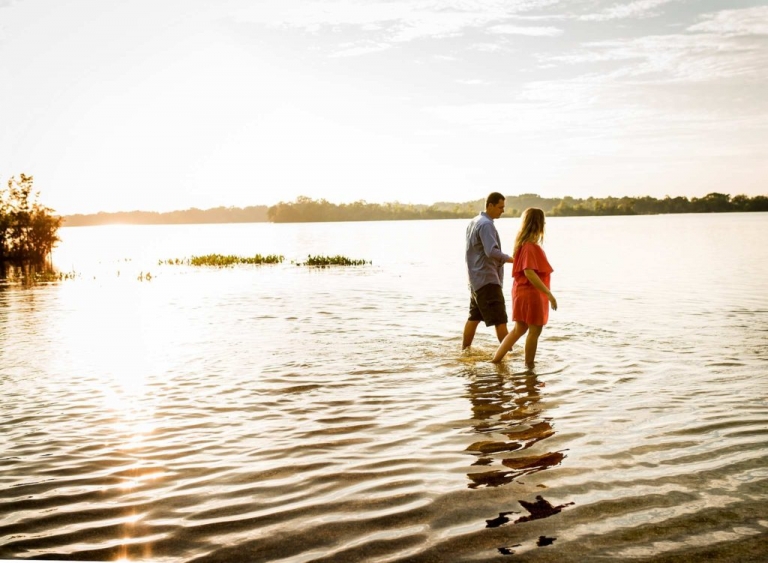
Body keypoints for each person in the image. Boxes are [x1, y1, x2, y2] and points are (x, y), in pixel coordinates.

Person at [491, 207, 557, 368]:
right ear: (539, 224)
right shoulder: (529, 246)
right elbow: (529, 272)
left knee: (519, 329)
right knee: (534, 331)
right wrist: (549, 294)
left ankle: (496, 360)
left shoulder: (523, 245)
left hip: (521, 291)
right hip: (531, 294)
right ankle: (529, 368)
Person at [463, 192, 514, 349]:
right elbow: (491, 252)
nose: (502, 211)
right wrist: (513, 259)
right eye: (500, 207)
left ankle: (464, 352)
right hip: (488, 280)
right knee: (500, 321)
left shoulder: (474, 222)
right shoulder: (486, 224)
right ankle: (508, 357)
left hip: (475, 281)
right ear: (490, 205)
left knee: (474, 318)